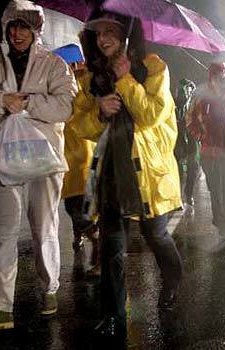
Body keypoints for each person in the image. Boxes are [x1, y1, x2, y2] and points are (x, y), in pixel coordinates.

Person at [71, 9, 183, 340]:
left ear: (125, 35)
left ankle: (173, 280)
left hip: (147, 174)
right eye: (99, 33)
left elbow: (151, 115)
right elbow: (80, 126)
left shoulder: (153, 67)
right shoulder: (92, 78)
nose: (103, 39)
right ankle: (114, 316)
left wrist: (126, 79)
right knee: (111, 250)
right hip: (110, 175)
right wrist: (100, 113)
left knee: (157, 237)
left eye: (111, 32)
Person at [0, 0, 77, 329]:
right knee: (4, 233)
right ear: (6, 29)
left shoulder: (55, 65)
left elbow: (66, 107)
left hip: (44, 160)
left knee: (43, 227)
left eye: (25, 27)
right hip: (3, 161)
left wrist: (28, 103)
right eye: (13, 27)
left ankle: (49, 287)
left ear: (36, 30)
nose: (18, 33)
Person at [187, 63, 225, 246]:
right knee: (215, 190)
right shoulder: (202, 99)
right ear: (211, 79)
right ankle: (221, 222)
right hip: (210, 153)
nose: (221, 81)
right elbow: (190, 121)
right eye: (216, 77)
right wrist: (202, 137)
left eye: (224, 76)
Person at [62, 59, 100, 277]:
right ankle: (82, 234)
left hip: (83, 153)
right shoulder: (64, 84)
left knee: (78, 204)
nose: (75, 66)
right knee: (72, 202)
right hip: (67, 152)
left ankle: (95, 238)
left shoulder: (88, 86)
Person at [174, 78, 200, 207]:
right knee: (178, 169)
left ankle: (188, 195)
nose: (186, 93)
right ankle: (178, 196)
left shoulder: (196, 105)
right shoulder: (175, 104)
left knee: (192, 168)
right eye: (183, 90)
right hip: (179, 139)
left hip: (192, 140)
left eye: (189, 90)